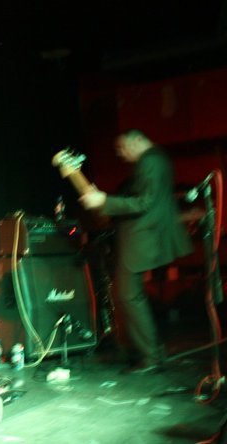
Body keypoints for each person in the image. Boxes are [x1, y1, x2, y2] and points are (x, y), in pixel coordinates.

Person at [80, 129, 192, 375]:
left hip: (142, 238)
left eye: (123, 147)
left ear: (138, 140)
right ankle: (151, 351)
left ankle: (150, 357)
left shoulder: (151, 160)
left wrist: (103, 201)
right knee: (130, 295)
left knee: (129, 296)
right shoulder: (157, 158)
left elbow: (144, 202)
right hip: (142, 238)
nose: (120, 154)